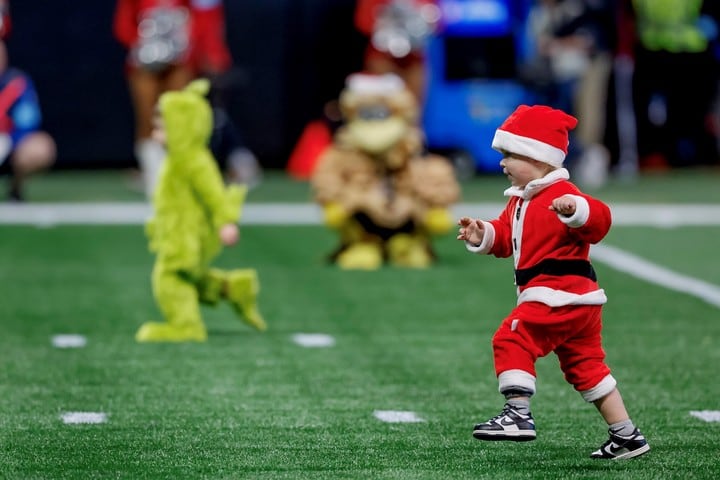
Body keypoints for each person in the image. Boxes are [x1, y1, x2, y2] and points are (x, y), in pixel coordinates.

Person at [456, 104, 649, 460]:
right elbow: (504, 239)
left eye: (511, 154)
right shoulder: (521, 200)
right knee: (586, 367)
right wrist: (481, 232)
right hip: (577, 302)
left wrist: (575, 210)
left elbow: (599, 220)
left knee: (512, 337)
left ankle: (518, 414)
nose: (502, 162)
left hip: (558, 293)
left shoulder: (562, 194)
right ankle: (626, 435)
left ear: (539, 157)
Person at [135, 79, 266, 343]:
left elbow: (214, 193)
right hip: (177, 229)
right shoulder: (178, 159)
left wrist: (226, 221)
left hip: (189, 233)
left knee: (169, 276)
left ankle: (186, 326)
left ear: (182, 127)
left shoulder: (195, 161)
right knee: (189, 276)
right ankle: (233, 288)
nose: (156, 133)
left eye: (162, 127)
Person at [113, 0, 235, 198]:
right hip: (143, 63)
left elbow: (202, 18)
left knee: (179, 119)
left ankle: (181, 175)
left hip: (180, 61)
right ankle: (154, 175)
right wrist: (145, 44)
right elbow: (123, 25)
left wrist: (190, 46)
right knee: (148, 118)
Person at [0, 0, 56, 201]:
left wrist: (6, 141)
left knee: (41, 147)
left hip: (7, 144)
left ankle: (16, 188)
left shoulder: (17, 83)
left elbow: (28, 122)